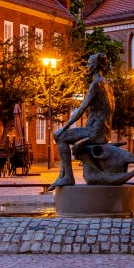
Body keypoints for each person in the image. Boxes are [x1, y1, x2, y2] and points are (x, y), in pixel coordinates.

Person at [48, 53, 114, 190]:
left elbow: (81, 109)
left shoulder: (96, 84)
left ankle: (68, 177)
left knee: (59, 136)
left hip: (96, 132)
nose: (87, 67)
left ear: (95, 66)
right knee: (61, 135)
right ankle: (62, 176)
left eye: (89, 64)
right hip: (104, 130)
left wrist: (64, 127)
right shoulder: (107, 83)